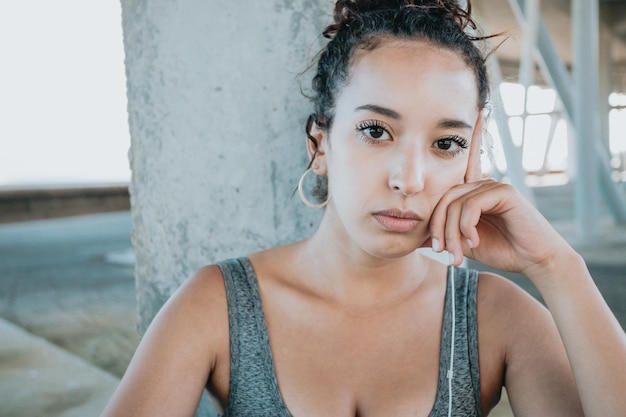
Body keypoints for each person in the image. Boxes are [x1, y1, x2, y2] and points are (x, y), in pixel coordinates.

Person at [101, 1, 626, 416]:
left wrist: (558, 267)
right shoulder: (217, 306)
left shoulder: (496, 317)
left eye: (447, 143)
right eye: (376, 131)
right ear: (320, 144)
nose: (409, 179)